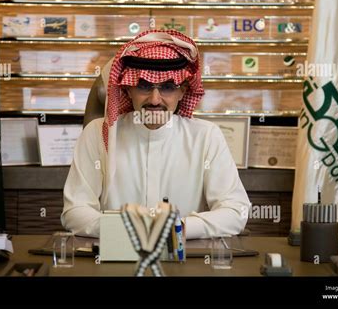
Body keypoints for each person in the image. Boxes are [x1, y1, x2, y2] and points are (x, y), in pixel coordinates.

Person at [61, 29, 250, 239]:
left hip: (183, 262)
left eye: (168, 87)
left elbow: (236, 212)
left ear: (183, 91)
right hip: (116, 259)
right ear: (128, 89)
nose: (154, 99)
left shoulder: (206, 137)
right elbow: (74, 212)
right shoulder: (96, 134)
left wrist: (177, 229)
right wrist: (126, 230)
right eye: (143, 85)